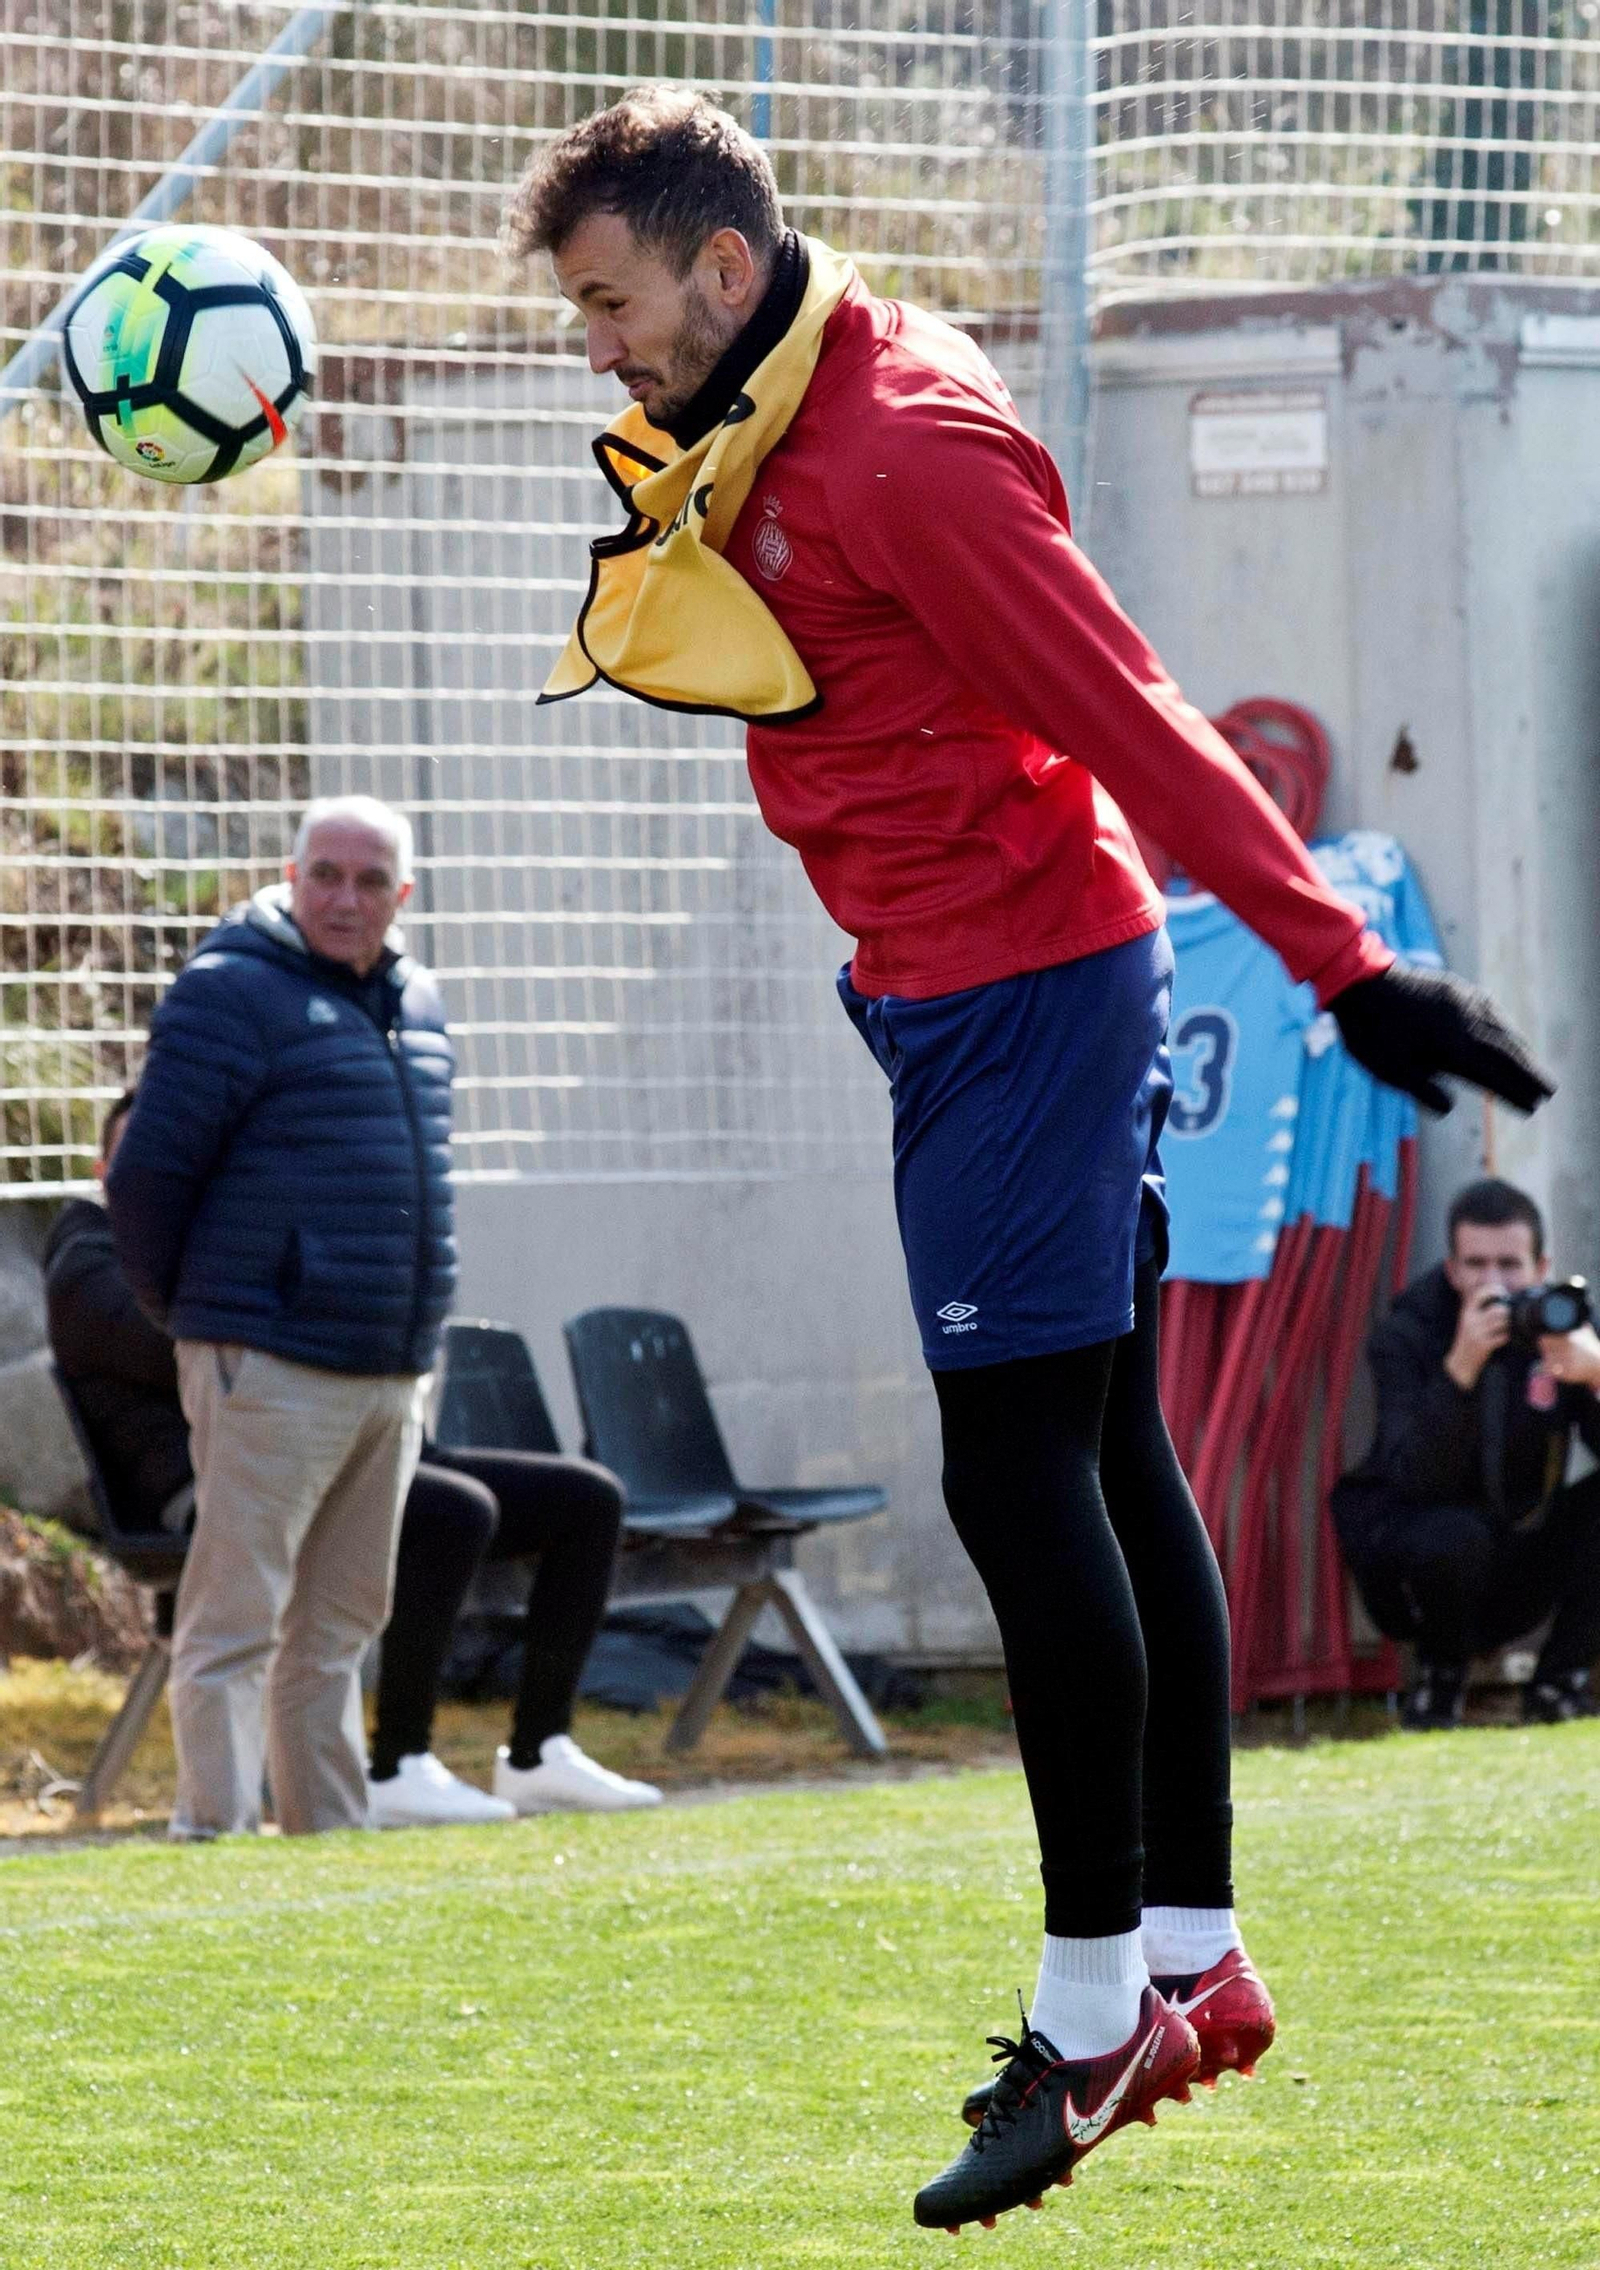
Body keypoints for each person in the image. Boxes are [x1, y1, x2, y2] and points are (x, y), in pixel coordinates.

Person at [503, 90, 1552, 2230]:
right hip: (956, 991)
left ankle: (1092, 2022)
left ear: (722, 270)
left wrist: (1344, 965)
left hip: (1024, 995)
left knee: (1011, 1477)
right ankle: (1195, 1954)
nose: (596, 348)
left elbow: (1132, 712)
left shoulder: (902, 447)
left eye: (610, 303)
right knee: (1105, 1451)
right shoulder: (779, 400)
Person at [48, 1092, 659, 1828]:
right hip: (202, 1482)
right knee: (450, 1513)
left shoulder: (220, 1245)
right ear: (106, 1172)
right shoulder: (88, 1260)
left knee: (586, 1499)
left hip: (337, 1435)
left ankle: (538, 1753)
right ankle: (391, 1763)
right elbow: (196, 1347)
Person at [107, 796, 455, 1841]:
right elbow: (146, 1178)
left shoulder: (418, 1000)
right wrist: (201, 1321)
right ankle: (213, 1836)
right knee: (235, 1621)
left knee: (340, 1627)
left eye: (369, 880)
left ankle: (326, 1852)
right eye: (325, 875)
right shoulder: (229, 993)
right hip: (267, 1358)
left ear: (402, 894)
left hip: (389, 1365)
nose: (345, 898)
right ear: (292, 878)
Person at [1334, 1178, 1600, 1732]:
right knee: (1452, 1535)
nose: (1493, 1282)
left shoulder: (1560, 1321)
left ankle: (1559, 1683)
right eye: (1476, 1265)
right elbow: (1412, 1479)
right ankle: (1440, 1680)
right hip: (1424, 1566)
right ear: (1452, 1270)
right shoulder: (1409, 1334)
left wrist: (1596, 1374)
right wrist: (1461, 1366)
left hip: (1524, 1548)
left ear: (1541, 1267)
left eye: (1510, 1265)